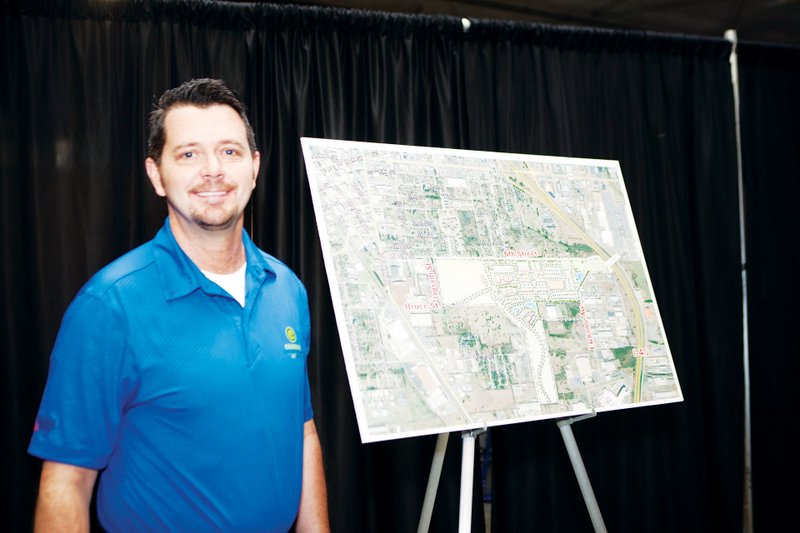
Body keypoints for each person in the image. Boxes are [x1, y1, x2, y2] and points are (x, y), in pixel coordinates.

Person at [29, 78, 329, 532]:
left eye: (229, 152)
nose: (213, 170)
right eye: (189, 154)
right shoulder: (109, 307)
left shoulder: (286, 288)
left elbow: (302, 433)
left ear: (254, 167)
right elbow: (67, 482)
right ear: (156, 174)